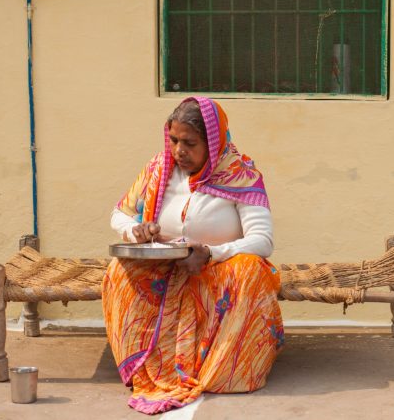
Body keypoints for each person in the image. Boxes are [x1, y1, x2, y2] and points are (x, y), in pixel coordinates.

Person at [102, 96, 284, 415]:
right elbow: (120, 214)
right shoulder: (160, 169)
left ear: (212, 143)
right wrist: (136, 230)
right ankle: (148, 363)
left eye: (190, 143)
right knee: (119, 270)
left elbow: (262, 241)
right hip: (166, 267)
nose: (179, 151)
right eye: (174, 140)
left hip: (216, 272)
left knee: (249, 270)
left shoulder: (240, 174)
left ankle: (221, 369)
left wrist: (211, 253)